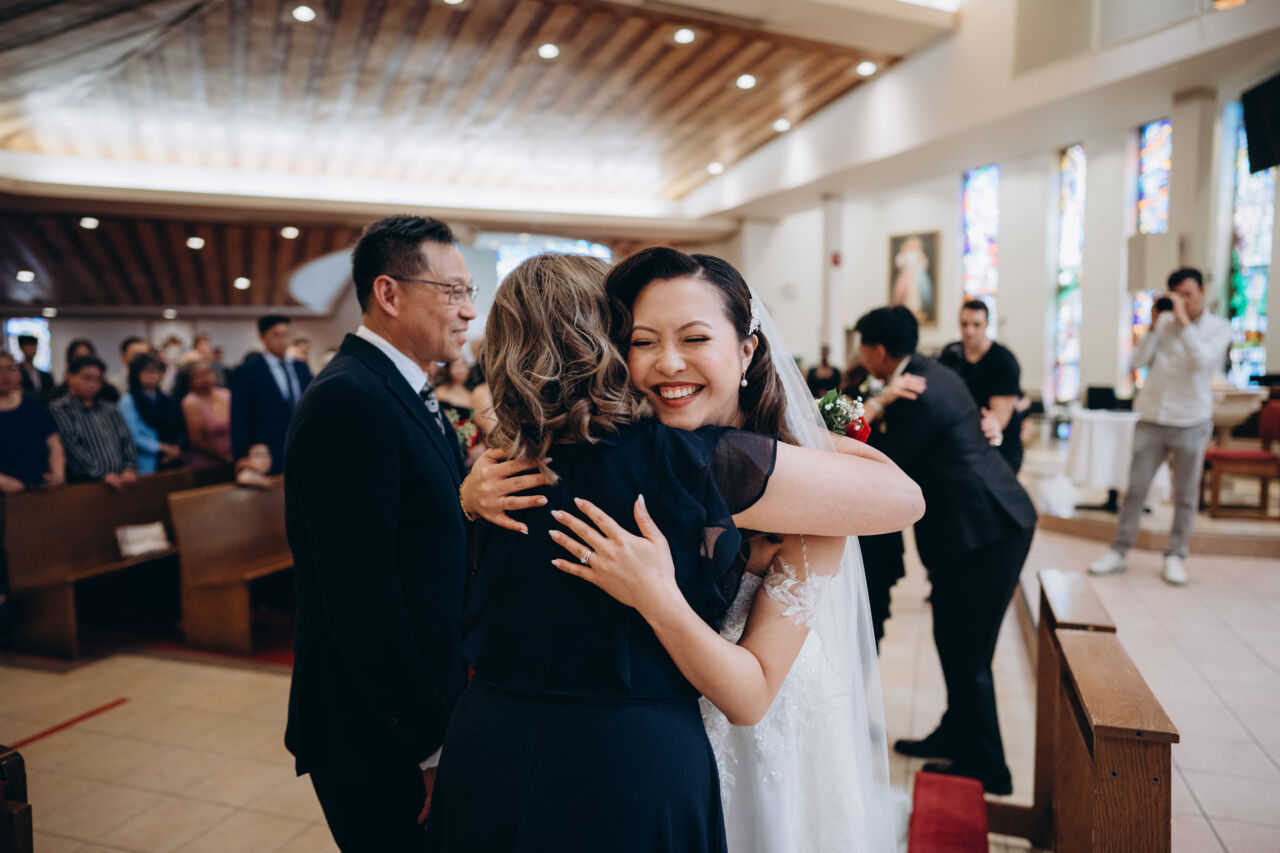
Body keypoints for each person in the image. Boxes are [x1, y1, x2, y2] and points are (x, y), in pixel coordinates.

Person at [432, 252, 920, 851]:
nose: (667, 362)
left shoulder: (508, 459)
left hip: (494, 742)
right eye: (641, 340)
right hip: (637, 755)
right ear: (609, 346)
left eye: (693, 338)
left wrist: (466, 497)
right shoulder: (686, 460)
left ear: (746, 350)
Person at [285, 214, 514, 852]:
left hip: (416, 702)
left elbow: (415, 538)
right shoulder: (349, 400)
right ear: (389, 293)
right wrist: (427, 747)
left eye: (470, 292)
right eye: (453, 292)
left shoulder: (400, 387)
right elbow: (363, 600)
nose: (469, 311)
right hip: (374, 728)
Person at [855, 305, 1037, 795]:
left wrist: (875, 408)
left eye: (862, 347)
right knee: (952, 637)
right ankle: (957, 733)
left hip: (987, 531)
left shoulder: (914, 391)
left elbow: (883, 463)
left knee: (967, 649)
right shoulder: (928, 371)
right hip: (977, 528)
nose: (861, 356)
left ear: (878, 351)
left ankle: (989, 766)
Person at [1088, 267, 1232, 586]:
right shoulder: (1162, 325)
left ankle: (1176, 554)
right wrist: (1153, 325)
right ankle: (1119, 550)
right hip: (1152, 416)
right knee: (1135, 489)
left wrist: (1183, 323)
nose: (1182, 301)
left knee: (1185, 494)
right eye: (1176, 295)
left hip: (1191, 419)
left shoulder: (1219, 328)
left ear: (1201, 292)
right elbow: (1137, 362)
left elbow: (1203, 363)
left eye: (1188, 294)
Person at [938, 300, 1025, 473]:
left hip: (999, 447)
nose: (969, 331)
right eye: (964, 324)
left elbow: (999, 417)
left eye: (976, 325)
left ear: (986, 325)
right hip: (960, 442)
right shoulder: (950, 354)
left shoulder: (1004, 361)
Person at [231, 315, 313, 475]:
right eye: (276, 335)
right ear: (262, 337)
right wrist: (241, 454)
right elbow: (239, 415)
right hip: (267, 447)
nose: (282, 340)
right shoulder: (248, 370)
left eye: (286, 334)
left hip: (302, 444)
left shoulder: (300, 367)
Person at [49, 356, 138, 489]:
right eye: (87, 378)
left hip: (122, 480)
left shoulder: (110, 408)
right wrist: (101, 475)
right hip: (84, 485)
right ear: (70, 377)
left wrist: (129, 468)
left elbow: (127, 439)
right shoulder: (60, 408)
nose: (93, 384)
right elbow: (71, 446)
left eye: (98, 380)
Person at [0, 351, 64, 494]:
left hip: (38, 489)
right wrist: (3, 481)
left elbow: (53, 441)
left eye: (11, 368)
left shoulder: (32, 403)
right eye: (0, 369)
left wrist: (58, 474)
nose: (5, 374)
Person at [119, 353, 185, 474]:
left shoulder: (166, 399)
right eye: (147, 371)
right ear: (136, 374)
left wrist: (176, 448)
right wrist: (163, 448)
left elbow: (177, 427)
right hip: (146, 461)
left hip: (171, 458)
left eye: (156, 371)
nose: (153, 375)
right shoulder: (128, 401)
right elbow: (132, 436)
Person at [182, 360, 233, 467]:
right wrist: (224, 456)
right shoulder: (191, 402)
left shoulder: (226, 394)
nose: (205, 379)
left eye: (207, 373)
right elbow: (196, 440)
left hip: (234, 455)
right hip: (208, 461)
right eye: (199, 376)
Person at [53, 339, 119, 403]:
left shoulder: (108, 394)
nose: (92, 385)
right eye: (78, 357)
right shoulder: (58, 397)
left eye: (87, 356)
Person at [16, 335, 53, 402]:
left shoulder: (45, 375)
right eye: (28, 345)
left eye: (34, 345)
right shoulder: (17, 372)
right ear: (22, 348)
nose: (32, 348)